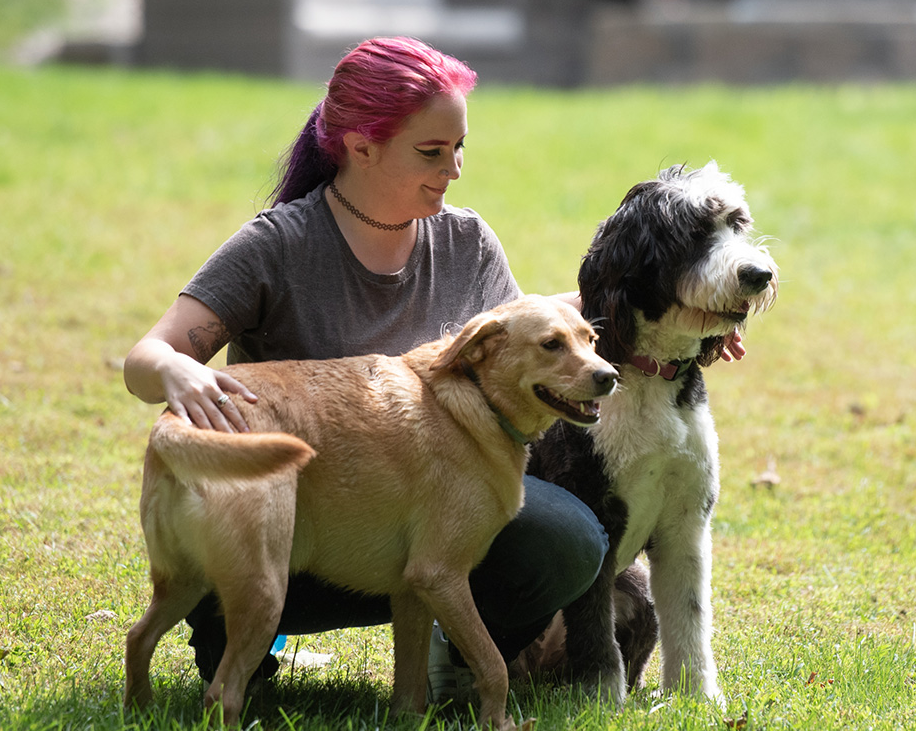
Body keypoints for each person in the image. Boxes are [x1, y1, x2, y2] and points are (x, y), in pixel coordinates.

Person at [122, 36, 609, 691]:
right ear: (362, 147)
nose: (454, 168)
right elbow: (146, 358)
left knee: (566, 537)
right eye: (432, 152)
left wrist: (672, 312)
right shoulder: (279, 244)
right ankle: (240, 632)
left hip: (408, 533)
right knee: (238, 621)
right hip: (276, 532)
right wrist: (176, 371)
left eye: (460, 147)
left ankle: (455, 650)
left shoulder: (465, 241)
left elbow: (534, 332)